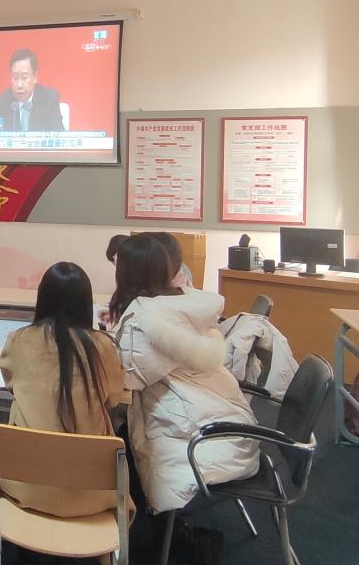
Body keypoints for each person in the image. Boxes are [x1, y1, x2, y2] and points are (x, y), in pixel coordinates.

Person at [111, 233, 259, 561]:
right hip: (224, 419)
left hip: (200, 438)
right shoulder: (184, 303)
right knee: (122, 436)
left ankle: (159, 535)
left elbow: (126, 378)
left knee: (115, 443)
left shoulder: (148, 320)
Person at [0, 262, 127, 518]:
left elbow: (11, 384)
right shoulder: (104, 347)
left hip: (25, 487)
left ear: (42, 298)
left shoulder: (19, 340)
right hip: (94, 493)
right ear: (86, 302)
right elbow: (113, 398)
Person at [0, 49, 65, 132]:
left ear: (35, 77)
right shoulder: (1, 103)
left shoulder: (49, 99)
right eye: (15, 78)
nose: (19, 85)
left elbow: (59, 134)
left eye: (24, 78)